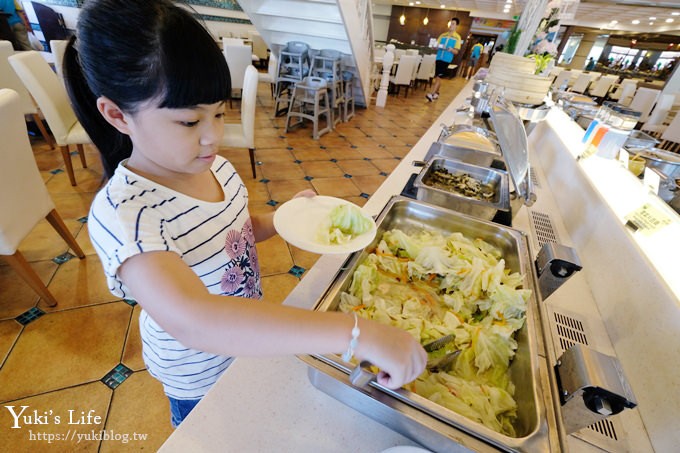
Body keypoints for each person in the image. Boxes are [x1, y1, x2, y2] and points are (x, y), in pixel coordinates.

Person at [63, 0, 426, 428]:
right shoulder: (128, 217)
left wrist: (281, 220)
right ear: (116, 115)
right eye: (188, 122)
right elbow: (195, 320)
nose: (213, 136)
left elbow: (235, 232)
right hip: (198, 377)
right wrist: (354, 332)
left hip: (247, 342)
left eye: (219, 113)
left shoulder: (213, 166)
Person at [426, 18, 461, 102]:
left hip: (446, 59)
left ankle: (431, 94)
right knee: (438, 77)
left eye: (453, 24)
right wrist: (435, 46)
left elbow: (456, 51)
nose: (451, 25)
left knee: (438, 77)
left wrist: (451, 50)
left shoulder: (457, 37)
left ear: (456, 26)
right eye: (450, 23)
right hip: (438, 58)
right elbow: (437, 45)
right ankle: (437, 93)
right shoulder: (443, 35)